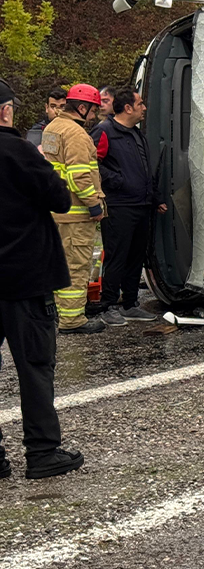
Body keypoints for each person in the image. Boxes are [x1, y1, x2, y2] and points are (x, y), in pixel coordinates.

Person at [0, 79, 86, 479]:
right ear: (5, 111)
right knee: (34, 367)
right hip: (25, 278)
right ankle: (42, 450)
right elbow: (59, 198)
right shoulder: (19, 151)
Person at [95, 88, 167, 326]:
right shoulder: (104, 132)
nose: (144, 108)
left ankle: (130, 304)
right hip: (119, 205)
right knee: (117, 256)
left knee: (136, 256)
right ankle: (107, 306)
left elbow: (146, 171)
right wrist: (118, 181)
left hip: (141, 205)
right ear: (127, 108)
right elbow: (92, 164)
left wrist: (156, 198)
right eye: (140, 104)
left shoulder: (137, 135)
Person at [42, 83, 108, 335]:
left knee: (59, 264)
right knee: (77, 266)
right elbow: (79, 176)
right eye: (92, 112)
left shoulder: (52, 128)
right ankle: (72, 320)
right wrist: (94, 205)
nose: (93, 117)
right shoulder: (76, 134)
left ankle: (60, 311)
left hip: (56, 212)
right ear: (81, 108)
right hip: (76, 214)